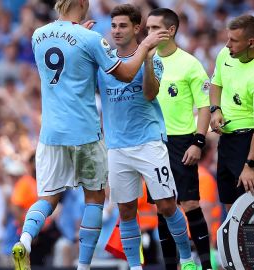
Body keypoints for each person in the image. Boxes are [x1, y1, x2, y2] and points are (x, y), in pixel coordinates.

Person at [11, 0, 170, 269]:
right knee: (95, 198)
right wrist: (144, 46)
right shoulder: (91, 38)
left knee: (48, 198)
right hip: (84, 130)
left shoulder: (38, 35)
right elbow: (128, 73)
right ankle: (83, 266)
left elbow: (68, 51)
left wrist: (81, 40)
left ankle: (25, 240)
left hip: (50, 133)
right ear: (83, 3)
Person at [97, 4, 196, 270]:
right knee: (126, 210)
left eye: (123, 26)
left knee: (166, 205)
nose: (117, 31)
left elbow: (151, 93)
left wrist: (149, 60)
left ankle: (187, 258)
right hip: (116, 146)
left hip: (149, 142)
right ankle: (134, 267)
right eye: (114, 25)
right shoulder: (103, 61)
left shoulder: (156, 59)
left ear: (136, 28)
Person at [145, 8, 212, 270]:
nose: (148, 33)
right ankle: (170, 266)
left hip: (182, 141)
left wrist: (198, 141)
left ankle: (206, 265)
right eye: (147, 28)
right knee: (163, 207)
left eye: (154, 28)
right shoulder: (145, 59)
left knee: (190, 203)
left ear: (170, 30)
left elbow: (204, 106)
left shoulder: (190, 64)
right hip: (153, 141)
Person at [209, 14, 254, 211]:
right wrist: (215, 110)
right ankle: (234, 243)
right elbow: (216, 83)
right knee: (230, 208)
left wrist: (250, 165)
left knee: (248, 210)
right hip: (226, 140)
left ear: (251, 42)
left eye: (234, 40)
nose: (227, 44)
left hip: (249, 143)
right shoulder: (225, 55)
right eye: (228, 38)